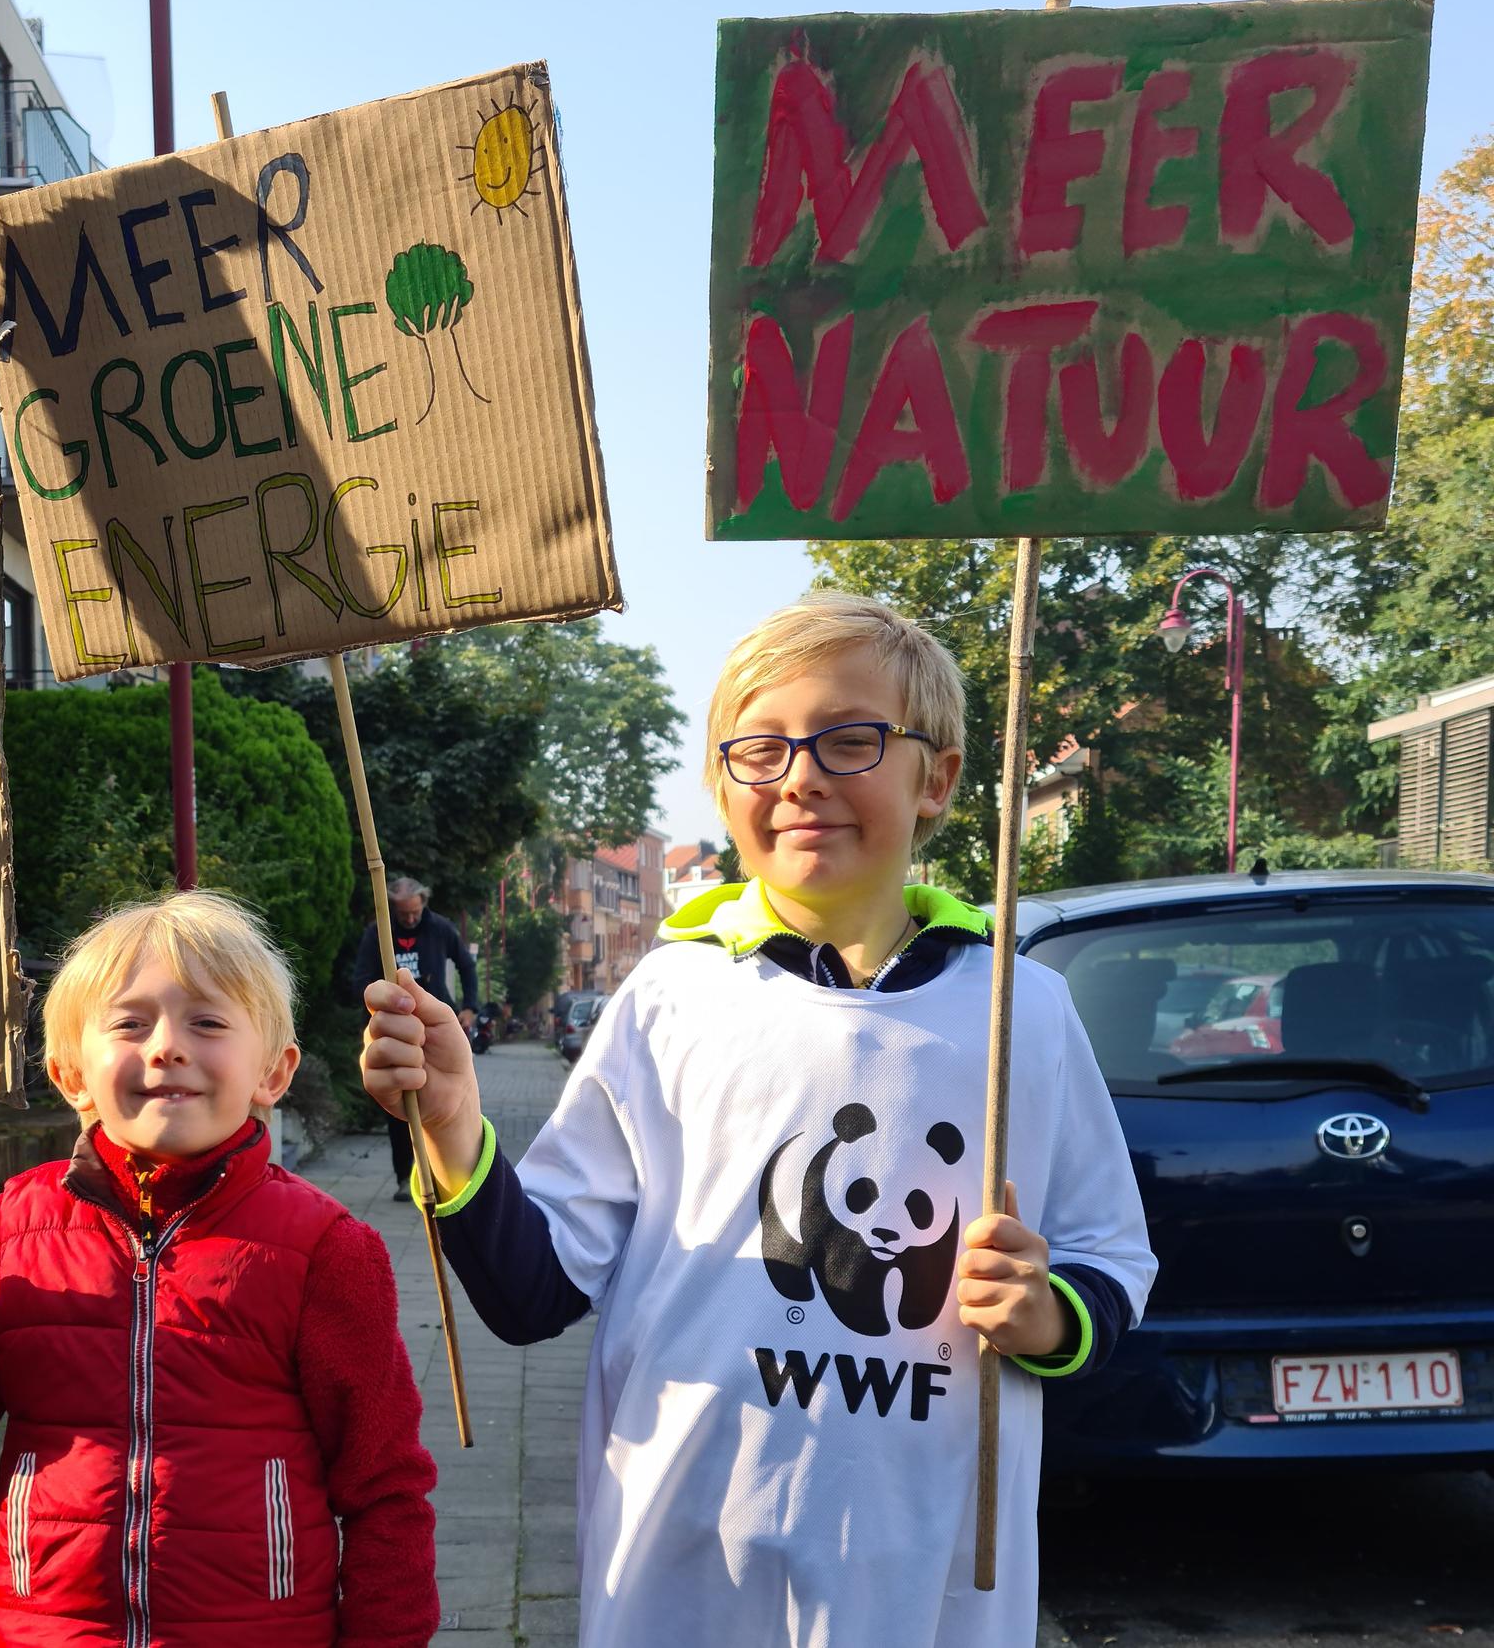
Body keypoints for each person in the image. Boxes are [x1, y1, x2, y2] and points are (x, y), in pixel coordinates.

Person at [361, 593, 1155, 1648]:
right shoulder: (667, 997)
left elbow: (1113, 1259)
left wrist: (1047, 1312)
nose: (801, 774)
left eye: (851, 738)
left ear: (940, 777)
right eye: (761, 748)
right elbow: (532, 1289)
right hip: (682, 1567)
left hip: (925, 1579)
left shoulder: (1023, 1009)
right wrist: (454, 1123)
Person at [0, 891, 438, 1647]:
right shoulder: (6, 1228)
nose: (167, 1046)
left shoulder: (326, 1249)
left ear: (274, 1072)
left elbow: (385, 1486)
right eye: (130, 1022)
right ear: (70, 1074)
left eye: (209, 1021)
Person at [350, 875, 478, 1200]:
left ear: (423, 904)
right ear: (392, 908)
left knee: (441, 1101)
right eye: (404, 915)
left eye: (415, 913)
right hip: (397, 1032)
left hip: (435, 1031)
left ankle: (441, 1173)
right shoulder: (378, 933)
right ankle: (403, 1176)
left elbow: (466, 964)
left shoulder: (440, 929)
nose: (410, 920)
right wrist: (378, 1005)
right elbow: (362, 979)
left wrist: (469, 1007)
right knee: (401, 1108)